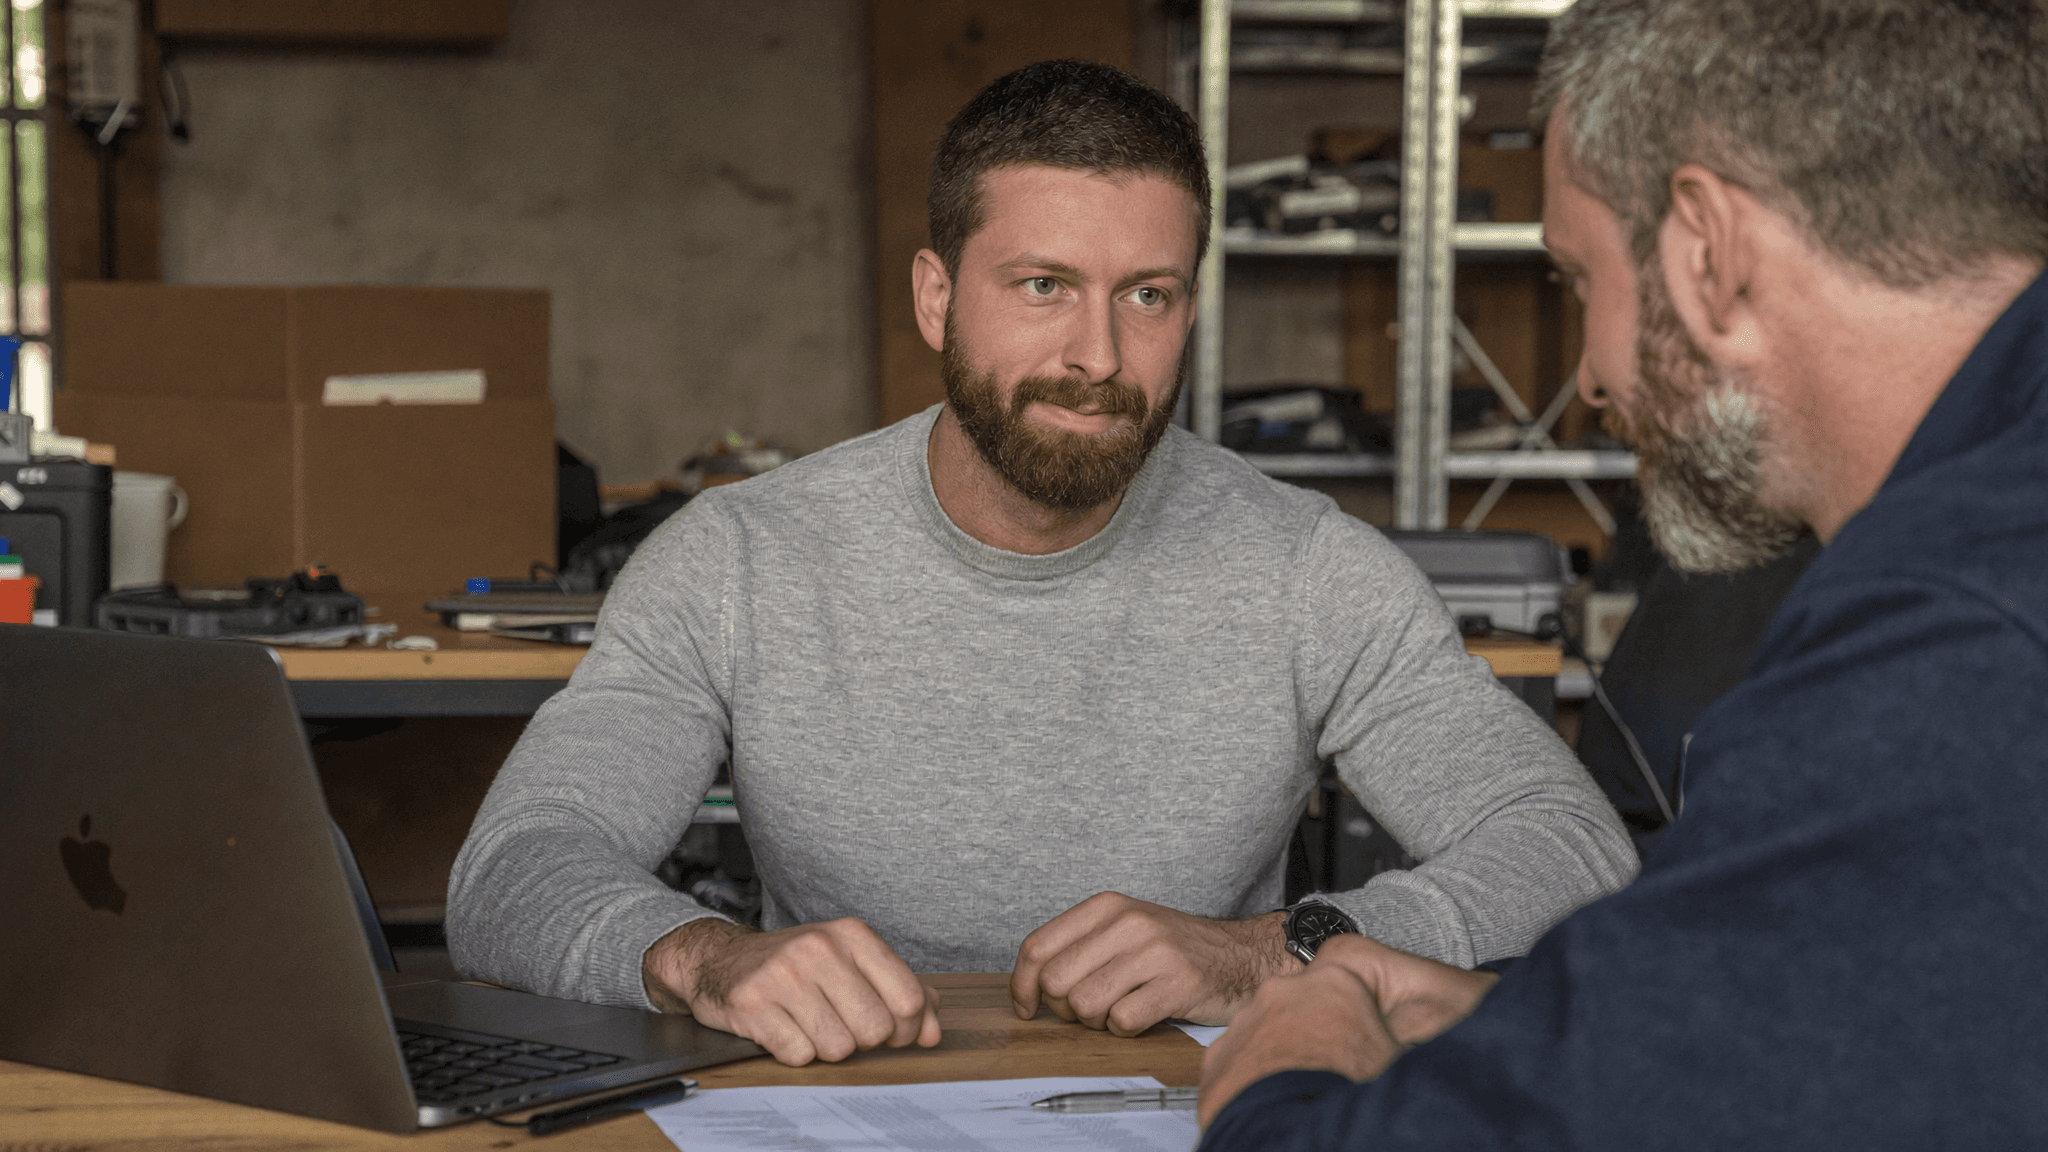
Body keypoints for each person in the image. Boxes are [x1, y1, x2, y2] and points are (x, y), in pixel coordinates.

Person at [446, 59, 1636, 1069]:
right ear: (935, 297)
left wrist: (1270, 951)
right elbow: (512, 870)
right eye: (1041, 287)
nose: (1097, 355)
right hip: (840, 1116)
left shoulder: (1307, 569)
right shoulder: (737, 559)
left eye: (1148, 295)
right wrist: (699, 963)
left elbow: (1571, 848)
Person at [1197, 1, 2048, 1145]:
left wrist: (1281, 1078)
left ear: (1705, 250)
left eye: (1575, 280)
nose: (1591, 378)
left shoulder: (1952, 638)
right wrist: (1555, 1028)